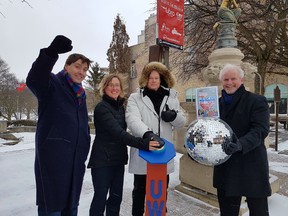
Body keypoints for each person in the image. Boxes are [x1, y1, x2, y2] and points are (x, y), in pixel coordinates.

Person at [26, 35, 92, 216]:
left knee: (71, 209)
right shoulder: (52, 84)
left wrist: (84, 146)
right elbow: (34, 79)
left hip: (74, 165)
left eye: (85, 69)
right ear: (66, 67)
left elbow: (82, 127)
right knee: (52, 209)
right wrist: (50, 53)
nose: (81, 72)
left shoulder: (80, 94)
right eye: (77, 66)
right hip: (54, 165)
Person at [87, 74, 163, 216]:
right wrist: (143, 144)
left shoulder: (121, 108)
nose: (114, 88)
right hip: (102, 162)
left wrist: (148, 132)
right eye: (111, 85)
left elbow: (133, 124)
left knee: (116, 200)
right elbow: (119, 134)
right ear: (105, 88)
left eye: (117, 85)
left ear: (121, 88)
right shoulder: (101, 108)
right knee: (100, 200)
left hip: (118, 161)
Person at [125, 61, 186, 216]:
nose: (153, 80)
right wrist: (147, 133)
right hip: (144, 150)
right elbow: (132, 119)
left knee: (160, 190)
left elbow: (182, 122)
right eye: (150, 77)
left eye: (157, 78)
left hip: (163, 153)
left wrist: (174, 116)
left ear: (162, 79)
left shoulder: (171, 97)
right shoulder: (135, 98)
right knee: (140, 190)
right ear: (145, 79)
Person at [213, 63, 271, 216]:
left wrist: (240, 144)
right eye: (226, 79)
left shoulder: (257, 101)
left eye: (233, 79)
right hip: (226, 167)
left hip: (251, 164)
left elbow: (260, 130)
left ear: (242, 80)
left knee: (258, 211)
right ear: (221, 82)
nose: (229, 83)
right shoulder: (215, 104)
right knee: (227, 212)